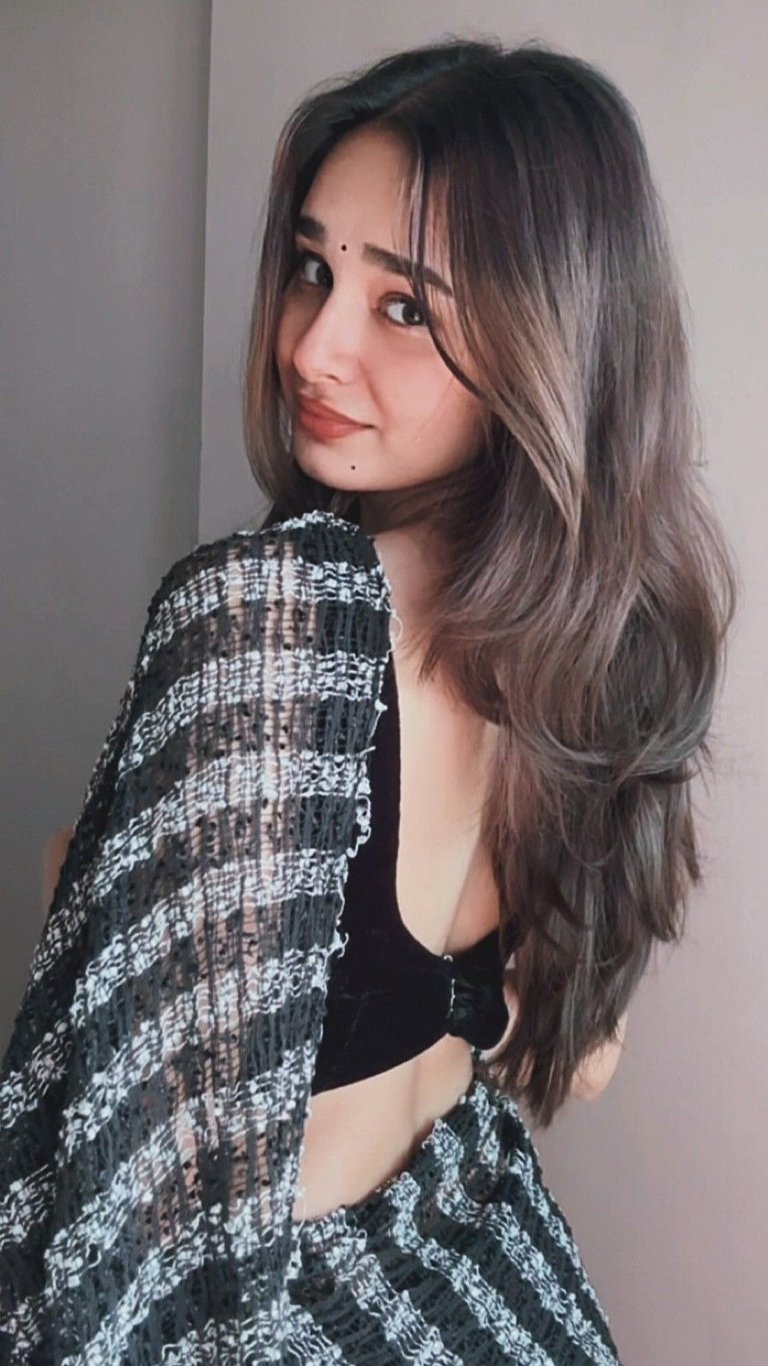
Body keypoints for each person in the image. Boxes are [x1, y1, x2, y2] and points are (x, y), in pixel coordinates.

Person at [1, 35, 736, 1366]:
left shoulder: (276, 617)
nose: (313, 345)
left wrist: (101, 862)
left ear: (548, 334)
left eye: (405, 306)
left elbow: (125, 1202)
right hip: (490, 1278)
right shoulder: (602, 641)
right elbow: (578, 1056)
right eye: (312, 269)